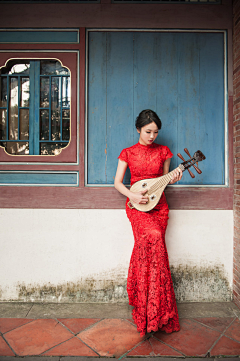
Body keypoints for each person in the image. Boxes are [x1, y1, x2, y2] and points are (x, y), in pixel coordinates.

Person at [114, 109, 182, 336]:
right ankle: (143, 305)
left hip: (159, 207)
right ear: (138, 129)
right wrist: (132, 196)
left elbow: (163, 182)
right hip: (137, 206)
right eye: (148, 131)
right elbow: (117, 183)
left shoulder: (164, 152)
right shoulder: (128, 153)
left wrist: (173, 176)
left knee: (157, 249)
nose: (152, 136)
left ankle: (159, 313)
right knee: (150, 238)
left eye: (155, 132)